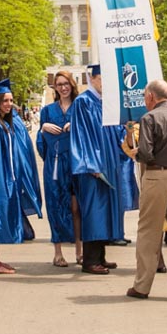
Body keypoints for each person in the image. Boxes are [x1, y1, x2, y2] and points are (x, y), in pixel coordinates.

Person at [121, 78, 167, 301]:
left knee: (148, 233)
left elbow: (146, 153)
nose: (144, 100)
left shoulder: (149, 118)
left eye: (145, 96)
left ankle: (142, 285)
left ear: (151, 96)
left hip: (157, 177)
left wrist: (133, 151)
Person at [66, 64, 127, 274]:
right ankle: (90, 260)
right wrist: (90, 163)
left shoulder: (106, 102)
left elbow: (115, 132)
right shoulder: (83, 102)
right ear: (91, 79)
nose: (105, 83)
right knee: (94, 211)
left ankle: (100, 256)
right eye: (102, 78)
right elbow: (81, 136)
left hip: (107, 164)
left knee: (106, 211)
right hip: (92, 168)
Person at [0, 80, 43, 274]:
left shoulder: (6, 123)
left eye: (10, 100)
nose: (8, 104)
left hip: (8, 179)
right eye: (4, 100)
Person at [36, 72, 81, 268]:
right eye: (59, 84)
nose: (63, 88)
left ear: (72, 85)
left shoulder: (80, 107)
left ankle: (80, 250)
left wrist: (77, 126)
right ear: (54, 88)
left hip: (76, 163)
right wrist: (43, 128)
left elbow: (90, 133)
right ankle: (58, 252)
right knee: (54, 206)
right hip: (54, 165)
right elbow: (41, 144)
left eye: (66, 84)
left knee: (76, 208)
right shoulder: (47, 110)